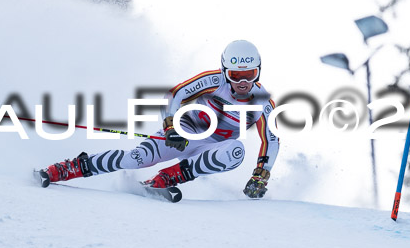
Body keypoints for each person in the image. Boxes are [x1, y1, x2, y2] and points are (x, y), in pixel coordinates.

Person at [37, 40, 280, 199]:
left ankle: (168, 177)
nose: (242, 82)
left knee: (236, 152)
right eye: (236, 75)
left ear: (258, 71)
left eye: (250, 74)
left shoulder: (262, 102)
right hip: (186, 133)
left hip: (213, 147)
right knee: (136, 159)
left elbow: (271, 140)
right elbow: (174, 94)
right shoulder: (213, 80)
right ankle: (67, 168)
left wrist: (261, 173)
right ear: (225, 71)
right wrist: (170, 125)